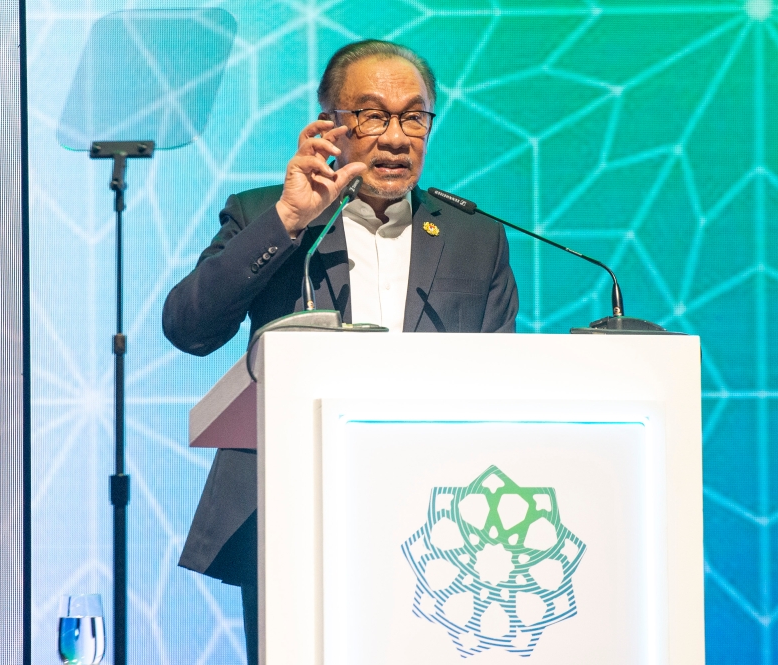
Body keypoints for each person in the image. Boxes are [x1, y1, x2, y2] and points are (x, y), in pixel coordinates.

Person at [162, 39, 518, 663]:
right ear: (330, 125)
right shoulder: (265, 216)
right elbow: (189, 327)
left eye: (414, 116)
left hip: (439, 531)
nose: (397, 137)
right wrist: (289, 221)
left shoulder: (474, 237)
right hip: (292, 519)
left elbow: (498, 384)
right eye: (373, 115)